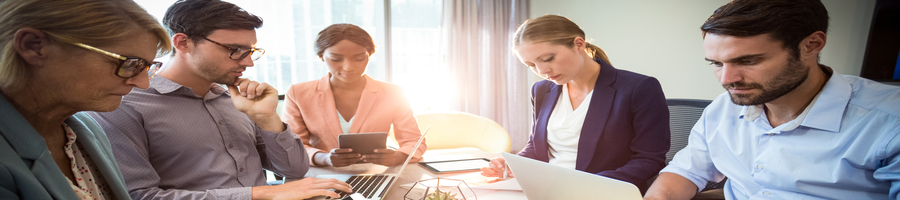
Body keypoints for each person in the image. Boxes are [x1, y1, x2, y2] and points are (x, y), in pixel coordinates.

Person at [86, 0, 351, 199]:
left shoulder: (235, 98)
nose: (247, 62)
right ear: (183, 43)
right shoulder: (124, 103)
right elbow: (139, 196)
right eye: (234, 50)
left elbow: (294, 170)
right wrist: (259, 194)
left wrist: (267, 119)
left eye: (250, 51)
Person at [644, 0, 900, 199]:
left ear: (811, 44)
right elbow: (686, 171)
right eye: (716, 63)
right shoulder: (723, 109)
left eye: (748, 61)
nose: (726, 79)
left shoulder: (890, 122)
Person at [479, 14, 670, 193]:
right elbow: (537, 147)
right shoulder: (541, 90)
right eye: (531, 65)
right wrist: (512, 163)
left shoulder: (639, 88)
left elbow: (649, 159)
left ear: (578, 44)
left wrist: (585, 187)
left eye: (547, 59)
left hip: (602, 192)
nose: (542, 70)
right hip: (547, 190)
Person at [0, 0, 171, 199]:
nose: (143, 84)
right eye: (129, 63)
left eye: (147, 67)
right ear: (33, 46)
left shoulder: (87, 130)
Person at [282, 23, 426, 167]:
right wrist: (323, 158)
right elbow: (292, 147)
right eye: (336, 59)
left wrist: (398, 156)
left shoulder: (393, 93)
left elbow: (414, 140)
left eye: (359, 58)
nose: (348, 67)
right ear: (321, 56)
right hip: (320, 174)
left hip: (374, 174)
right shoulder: (298, 93)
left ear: (369, 55)